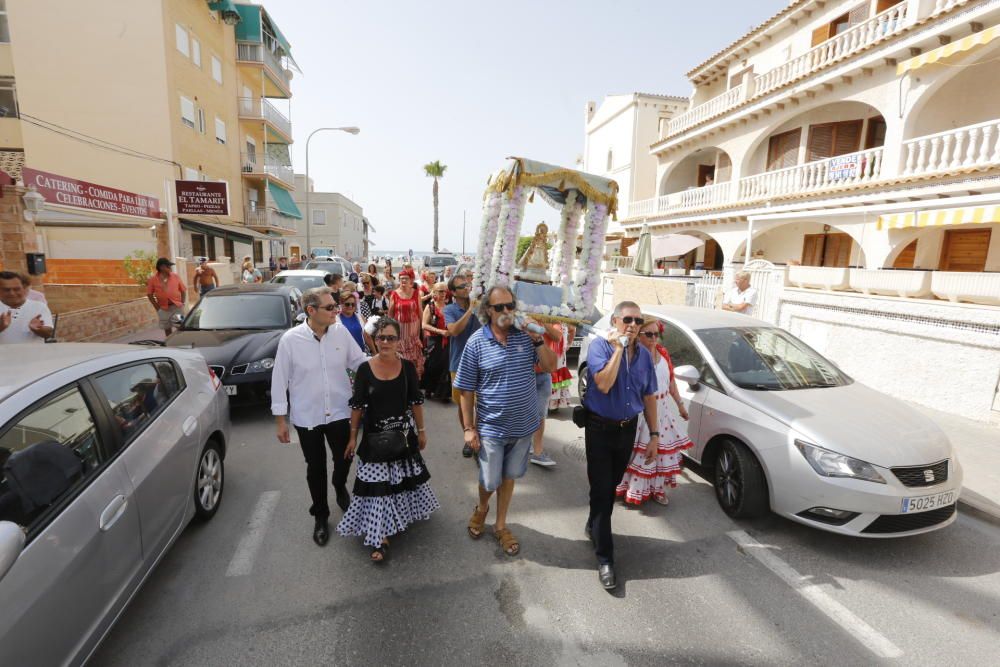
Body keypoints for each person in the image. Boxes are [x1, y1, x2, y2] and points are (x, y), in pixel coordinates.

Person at [454, 285, 555, 558]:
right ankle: (482, 508)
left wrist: (538, 339)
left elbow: (550, 366)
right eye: (500, 307)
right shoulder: (476, 342)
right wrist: (468, 428)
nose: (507, 312)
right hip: (490, 428)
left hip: (523, 427)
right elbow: (466, 389)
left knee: (509, 477)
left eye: (510, 306)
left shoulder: (525, 338)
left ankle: (500, 525)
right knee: (489, 480)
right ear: (488, 310)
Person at [271, 287, 368, 546]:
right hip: (307, 416)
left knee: (345, 457)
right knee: (315, 468)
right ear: (311, 311)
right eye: (330, 307)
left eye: (336, 306)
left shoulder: (340, 332)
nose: (337, 310)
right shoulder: (290, 340)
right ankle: (321, 515)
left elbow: (358, 361)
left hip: (339, 410)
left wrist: (386, 363)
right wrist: (281, 420)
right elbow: (279, 379)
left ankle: (339, 484)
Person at [338, 317, 439, 562]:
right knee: (378, 489)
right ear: (374, 339)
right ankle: (379, 537)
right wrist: (352, 437)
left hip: (402, 437)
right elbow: (358, 407)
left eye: (391, 338)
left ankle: (396, 518)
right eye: (381, 337)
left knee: (399, 481)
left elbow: (415, 401)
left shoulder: (407, 368)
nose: (385, 342)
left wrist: (423, 430)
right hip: (374, 441)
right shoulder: (364, 369)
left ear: (398, 340)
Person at [582, 301, 659, 590]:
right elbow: (602, 383)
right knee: (603, 492)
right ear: (615, 321)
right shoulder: (600, 347)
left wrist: (654, 435)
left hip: (628, 430)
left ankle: (594, 523)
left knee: (610, 486)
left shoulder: (644, 357)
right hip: (600, 429)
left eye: (639, 321)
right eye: (628, 319)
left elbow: (649, 396)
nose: (634, 325)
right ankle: (606, 559)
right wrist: (618, 349)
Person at [616, 320, 692, 507]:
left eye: (656, 334)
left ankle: (656, 490)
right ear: (638, 335)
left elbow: (671, 382)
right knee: (634, 454)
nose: (653, 339)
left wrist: (680, 405)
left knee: (658, 455)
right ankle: (626, 488)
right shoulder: (632, 356)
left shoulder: (663, 353)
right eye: (648, 334)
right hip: (640, 413)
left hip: (663, 412)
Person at [443, 273, 480, 457]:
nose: (467, 288)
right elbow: (454, 330)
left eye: (468, 284)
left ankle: (478, 437)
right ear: (453, 292)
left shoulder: (479, 305)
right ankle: (468, 434)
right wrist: (470, 311)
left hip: (482, 362)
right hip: (459, 364)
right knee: (463, 405)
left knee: (482, 403)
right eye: (462, 286)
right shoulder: (449, 309)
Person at [529, 322, 564, 468]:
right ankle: (522, 446)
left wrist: (542, 321)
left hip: (544, 374)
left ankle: (537, 451)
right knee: (521, 412)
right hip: (525, 374)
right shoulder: (524, 316)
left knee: (540, 414)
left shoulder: (552, 318)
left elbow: (557, 337)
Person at [0, 271, 54, 344]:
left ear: (24, 288)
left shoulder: (39, 307)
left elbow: (48, 334)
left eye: (16, 289)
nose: (12, 293)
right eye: (6, 290)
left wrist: (38, 329)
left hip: (32, 354)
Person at [388, 271, 424, 378]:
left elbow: (420, 311)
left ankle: (414, 379)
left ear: (411, 280)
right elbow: (390, 313)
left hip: (413, 329)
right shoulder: (394, 293)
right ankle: (400, 378)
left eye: (406, 278)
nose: (403, 280)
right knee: (400, 355)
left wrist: (423, 330)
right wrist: (389, 329)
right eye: (401, 278)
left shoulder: (416, 292)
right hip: (400, 329)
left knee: (414, 356)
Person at [420, 282, 450, 400]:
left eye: (445, 291)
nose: (443, 294)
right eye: (440, 291)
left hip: (447, 340)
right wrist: (440, 331)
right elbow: (424, 325)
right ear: (435, 292)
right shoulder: (430, 306)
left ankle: (443, 393)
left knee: (445, 366)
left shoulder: (449, 306)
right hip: (434, 340)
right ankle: (429, 389)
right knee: (432, 366)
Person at [146, 257, 186, 337]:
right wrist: (157, 308)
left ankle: (181, 344)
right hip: (164, 309)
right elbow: (149, 294)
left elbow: (183, 290)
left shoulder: (175, 276)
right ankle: (170, 345)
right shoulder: (153, 280)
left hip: (176, 307)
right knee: (167, 328)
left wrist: (182, 303)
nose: (170, 268)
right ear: (162, 267)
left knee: (180, 327)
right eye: (168, 266)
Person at [549, 322, 575, 411]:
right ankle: (548, 404)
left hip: (560, 357)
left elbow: (573, 329)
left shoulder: (564, 321)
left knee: (558, 375)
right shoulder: (547, 319)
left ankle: (555, 404)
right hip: (548, 354)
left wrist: (569, 344)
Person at [336, 289, 370, 354]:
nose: (350, 306)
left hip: (361, 353)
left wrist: (374, 352)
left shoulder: (360, 317)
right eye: (347, 304)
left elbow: (367, 336)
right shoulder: (335, 319)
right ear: (341, 303)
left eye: (353, 304)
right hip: (345, 356)